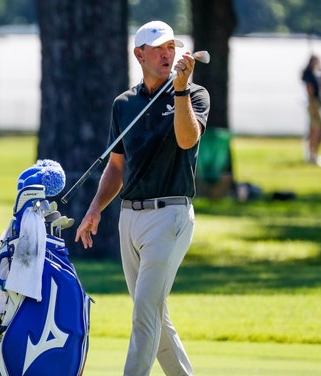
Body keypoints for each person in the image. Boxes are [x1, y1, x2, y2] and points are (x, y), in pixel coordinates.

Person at [74, 20, 209, 376]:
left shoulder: (194, 95)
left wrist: (179, 91)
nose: (168, 54)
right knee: (155, 316)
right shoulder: (124, 104)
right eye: (160, 49)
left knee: (144, 315)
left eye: (172, 48)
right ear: (140, 54)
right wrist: (95, 208)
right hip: (129, 218)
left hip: (170, 215)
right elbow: (116, 166)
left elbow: (187, 140)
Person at [301, 54, 321, 167]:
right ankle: (312, 155)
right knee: (317, 130)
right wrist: (313, 106)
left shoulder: (317, 75)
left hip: (319, 104)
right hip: (314, 104)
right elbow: (310, 91)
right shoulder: (309, 75)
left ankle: (313, 153)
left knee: (318, 130)